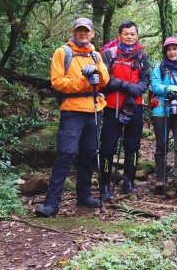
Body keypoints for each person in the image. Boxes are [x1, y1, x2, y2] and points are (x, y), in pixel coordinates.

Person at [35, 18, 110, 217]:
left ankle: (84, 196)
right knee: (66, 153)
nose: (83, 34)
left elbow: (105, 80)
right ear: (74, 32)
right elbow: (58, 82)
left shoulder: (95, 55)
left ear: (93, 33)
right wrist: (84, 81)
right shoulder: (63, 52)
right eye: (79, 30)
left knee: (88, 153)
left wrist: (96, 70)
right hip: (72, 110)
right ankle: (51, 204)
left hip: (94, 109)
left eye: (86, 31)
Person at [98, 20, 150, 199]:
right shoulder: (108, 54)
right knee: (107, 147)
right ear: (119, 35)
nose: (129, 37)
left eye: (132, 34)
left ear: (137, 36)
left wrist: (138, 88)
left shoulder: (142, 56)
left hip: (134, 107)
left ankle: (129, 182)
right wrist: (127, 86)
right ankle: (104, 185)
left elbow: (146, 80)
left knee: (133, 146)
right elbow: (104, 79)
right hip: (112, 107)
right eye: (126, 34)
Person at [150, 37, 177, 195]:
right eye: (168, 49)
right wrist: (169, 88)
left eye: (175, 49)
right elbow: (154, 86)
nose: (172, 52)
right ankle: (160, 178)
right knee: (162, 145)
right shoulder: (159, 68)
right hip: (161, 110)